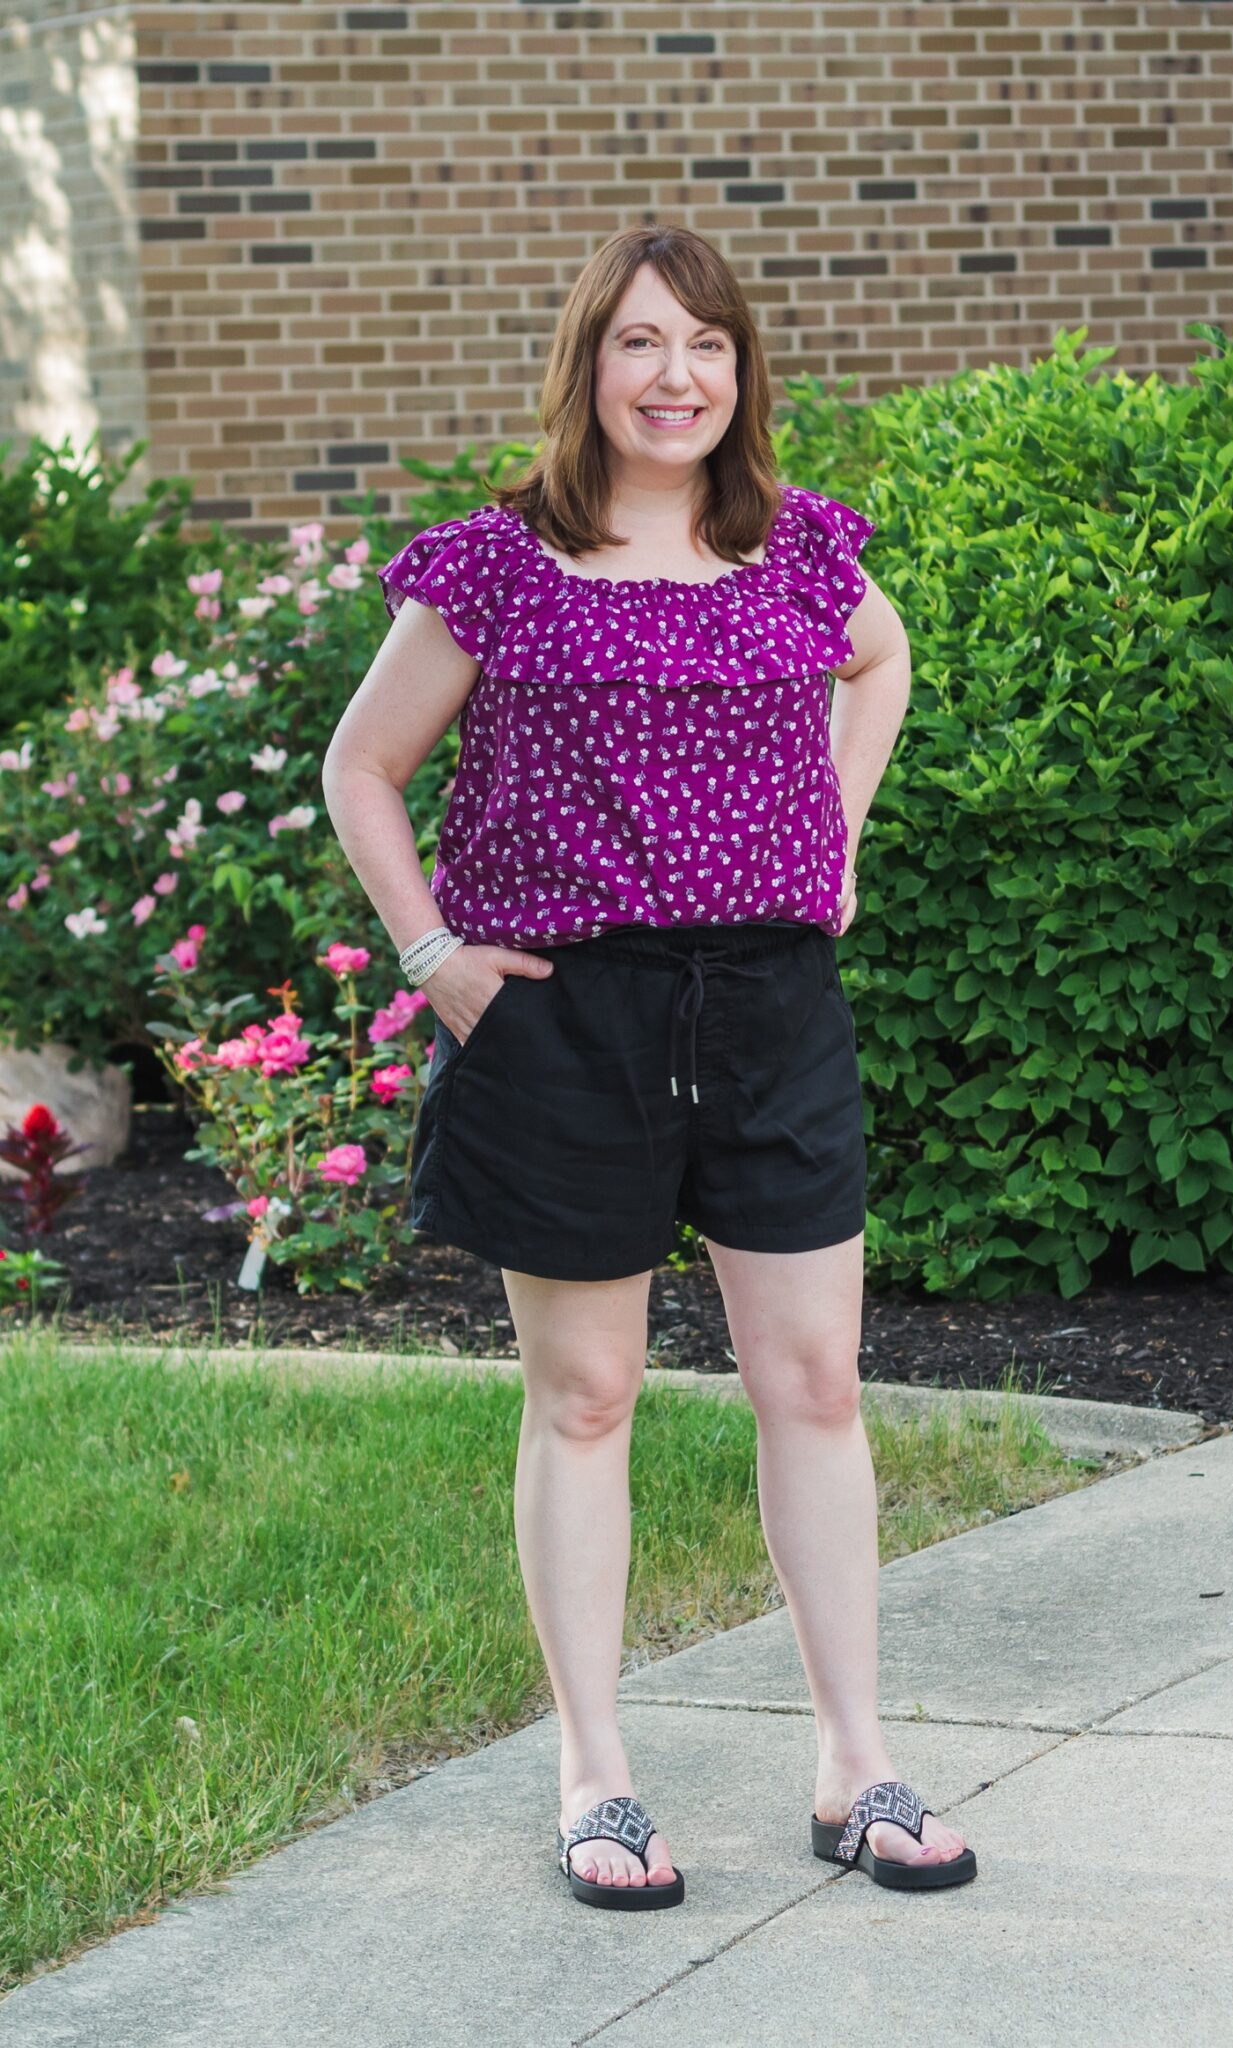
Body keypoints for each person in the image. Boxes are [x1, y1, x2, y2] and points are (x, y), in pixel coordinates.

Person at [322, 222, 976, 1910]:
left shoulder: (800, 557)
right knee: (588, 1394)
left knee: (814, 1384)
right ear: (585, 369)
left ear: (741, 374)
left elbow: (881, 661)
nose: (672, 375)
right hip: (565, 1021)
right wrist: (430, 958)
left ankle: (854, 1764)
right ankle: (594, 1775)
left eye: (704, 344)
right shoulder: (497, 566)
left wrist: (832, 834)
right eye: (636, 343)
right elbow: (363, 769)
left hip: (768, 1016)